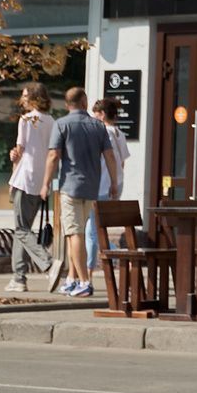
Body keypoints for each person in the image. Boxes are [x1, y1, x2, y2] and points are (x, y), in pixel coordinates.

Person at [42, 85, 118, 300]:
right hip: (91, 188)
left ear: (67, 105)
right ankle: (71, 279)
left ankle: (84, 282)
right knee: (73, 233)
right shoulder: (97, 126)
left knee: (75, 234)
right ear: (85, 102)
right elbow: (110, 156)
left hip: (70, 188)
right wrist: (113, 183)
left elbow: (53, 156)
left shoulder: (61, 124)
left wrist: (45, 184)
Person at [4, 82, 57, 296]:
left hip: (24, 179)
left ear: (34, 98)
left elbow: (20, 150)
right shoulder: (52, 121)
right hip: (40, 181)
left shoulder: (26, 120)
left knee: (21, 230)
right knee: (22, 229)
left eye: (25, 95)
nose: (22, 99)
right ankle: (18, 278)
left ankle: (49, 264)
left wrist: (12, 176)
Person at [86, 96, 130, 270]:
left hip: (102, 186)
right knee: (92, 230)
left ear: (102, 115)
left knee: (94, 231)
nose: (92, 117)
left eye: (95, 114)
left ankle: (116, 256)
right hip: (116, 184)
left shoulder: (102, 133)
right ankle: (88, 271)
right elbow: (122, 162)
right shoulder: (120, 134)